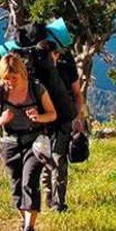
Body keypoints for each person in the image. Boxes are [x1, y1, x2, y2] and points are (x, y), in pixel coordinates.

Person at [0, 52, 57, 231]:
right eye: (6, 78)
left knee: (29, 180)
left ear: (23, 74)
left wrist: (39, 117)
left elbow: (52, 114)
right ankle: (25, 225)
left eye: (13, 78)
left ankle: (29, 228)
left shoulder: (36, 89)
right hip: (10, 143)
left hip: (34, 141)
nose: (10, 82)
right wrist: (1, 120)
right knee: (16, 186)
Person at [38, 40, 85, 213]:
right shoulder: (38, 72)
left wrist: (78, 118)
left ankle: (58, 202)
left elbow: (77, 94)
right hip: (43, 122)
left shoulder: (66, 69)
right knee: (45, 160)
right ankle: (49, 198)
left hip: (64, 121)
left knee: (59, 160)